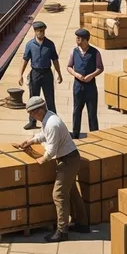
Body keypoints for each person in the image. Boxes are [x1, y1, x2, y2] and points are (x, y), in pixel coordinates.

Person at [14, 96, 89, 242]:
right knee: (71, 191)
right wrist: (30, 141)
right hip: (68, 158)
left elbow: (52, 149)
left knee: (58, 194)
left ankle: (62, 231)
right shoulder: (48, 119)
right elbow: (44, 135)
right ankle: (82, 224)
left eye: (32, 113)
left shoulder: (52, 123)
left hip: (68, 160)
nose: (31, 116)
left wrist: (43, 159)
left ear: (40, 109)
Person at [18, 21, 62, 130]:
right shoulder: (30, 45)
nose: (41, 33)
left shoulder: (50, 44)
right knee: (33, 99)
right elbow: (25, 60)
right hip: (35, 74)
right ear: (35, 31)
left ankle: (54, 121)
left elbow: (55, 60)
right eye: (39, 31)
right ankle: (32, 122)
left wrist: (59, 74)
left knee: (49, 98)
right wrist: (20, 74)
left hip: (47, 73)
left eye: (43, 31)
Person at [67, 28, 103, 138]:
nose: (77, 40)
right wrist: (76, 75)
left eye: (79, 38)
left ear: (86, 40)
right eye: (77, 38)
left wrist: (91, 76)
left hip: (90, 86)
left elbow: (100, 68)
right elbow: (69, 67)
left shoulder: (95, 52)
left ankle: (95, 133)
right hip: (78, 85)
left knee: (92, 111)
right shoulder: (74, 51)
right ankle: (75, 133)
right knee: (77, 110)